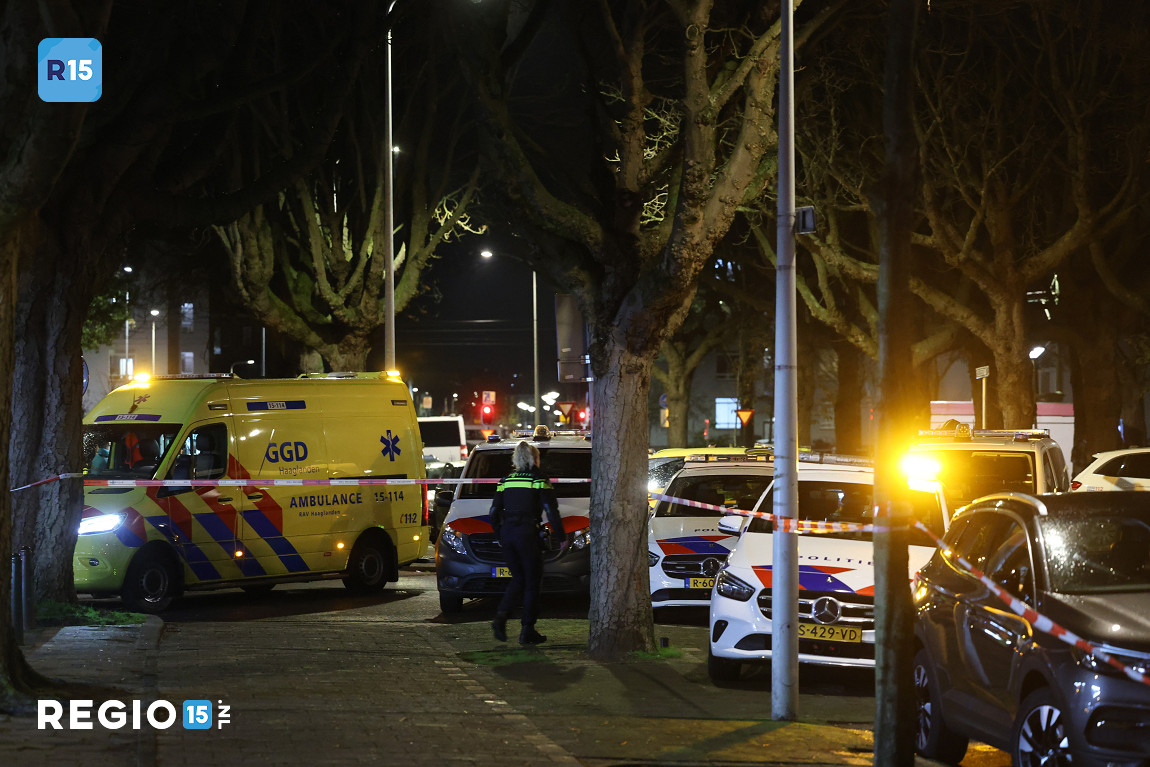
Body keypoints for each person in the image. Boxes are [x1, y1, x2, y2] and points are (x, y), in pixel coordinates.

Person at [490, 441, 563, 645]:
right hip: (527, 534)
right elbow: (551, 510)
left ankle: (500, 618)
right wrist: (562, 537)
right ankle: (527, 630)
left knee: (518, 579)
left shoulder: (506, 480)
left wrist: (500, 535)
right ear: (534, 459)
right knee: (531, 582)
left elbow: (493, 512)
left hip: (508, 535)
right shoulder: (538, 480)